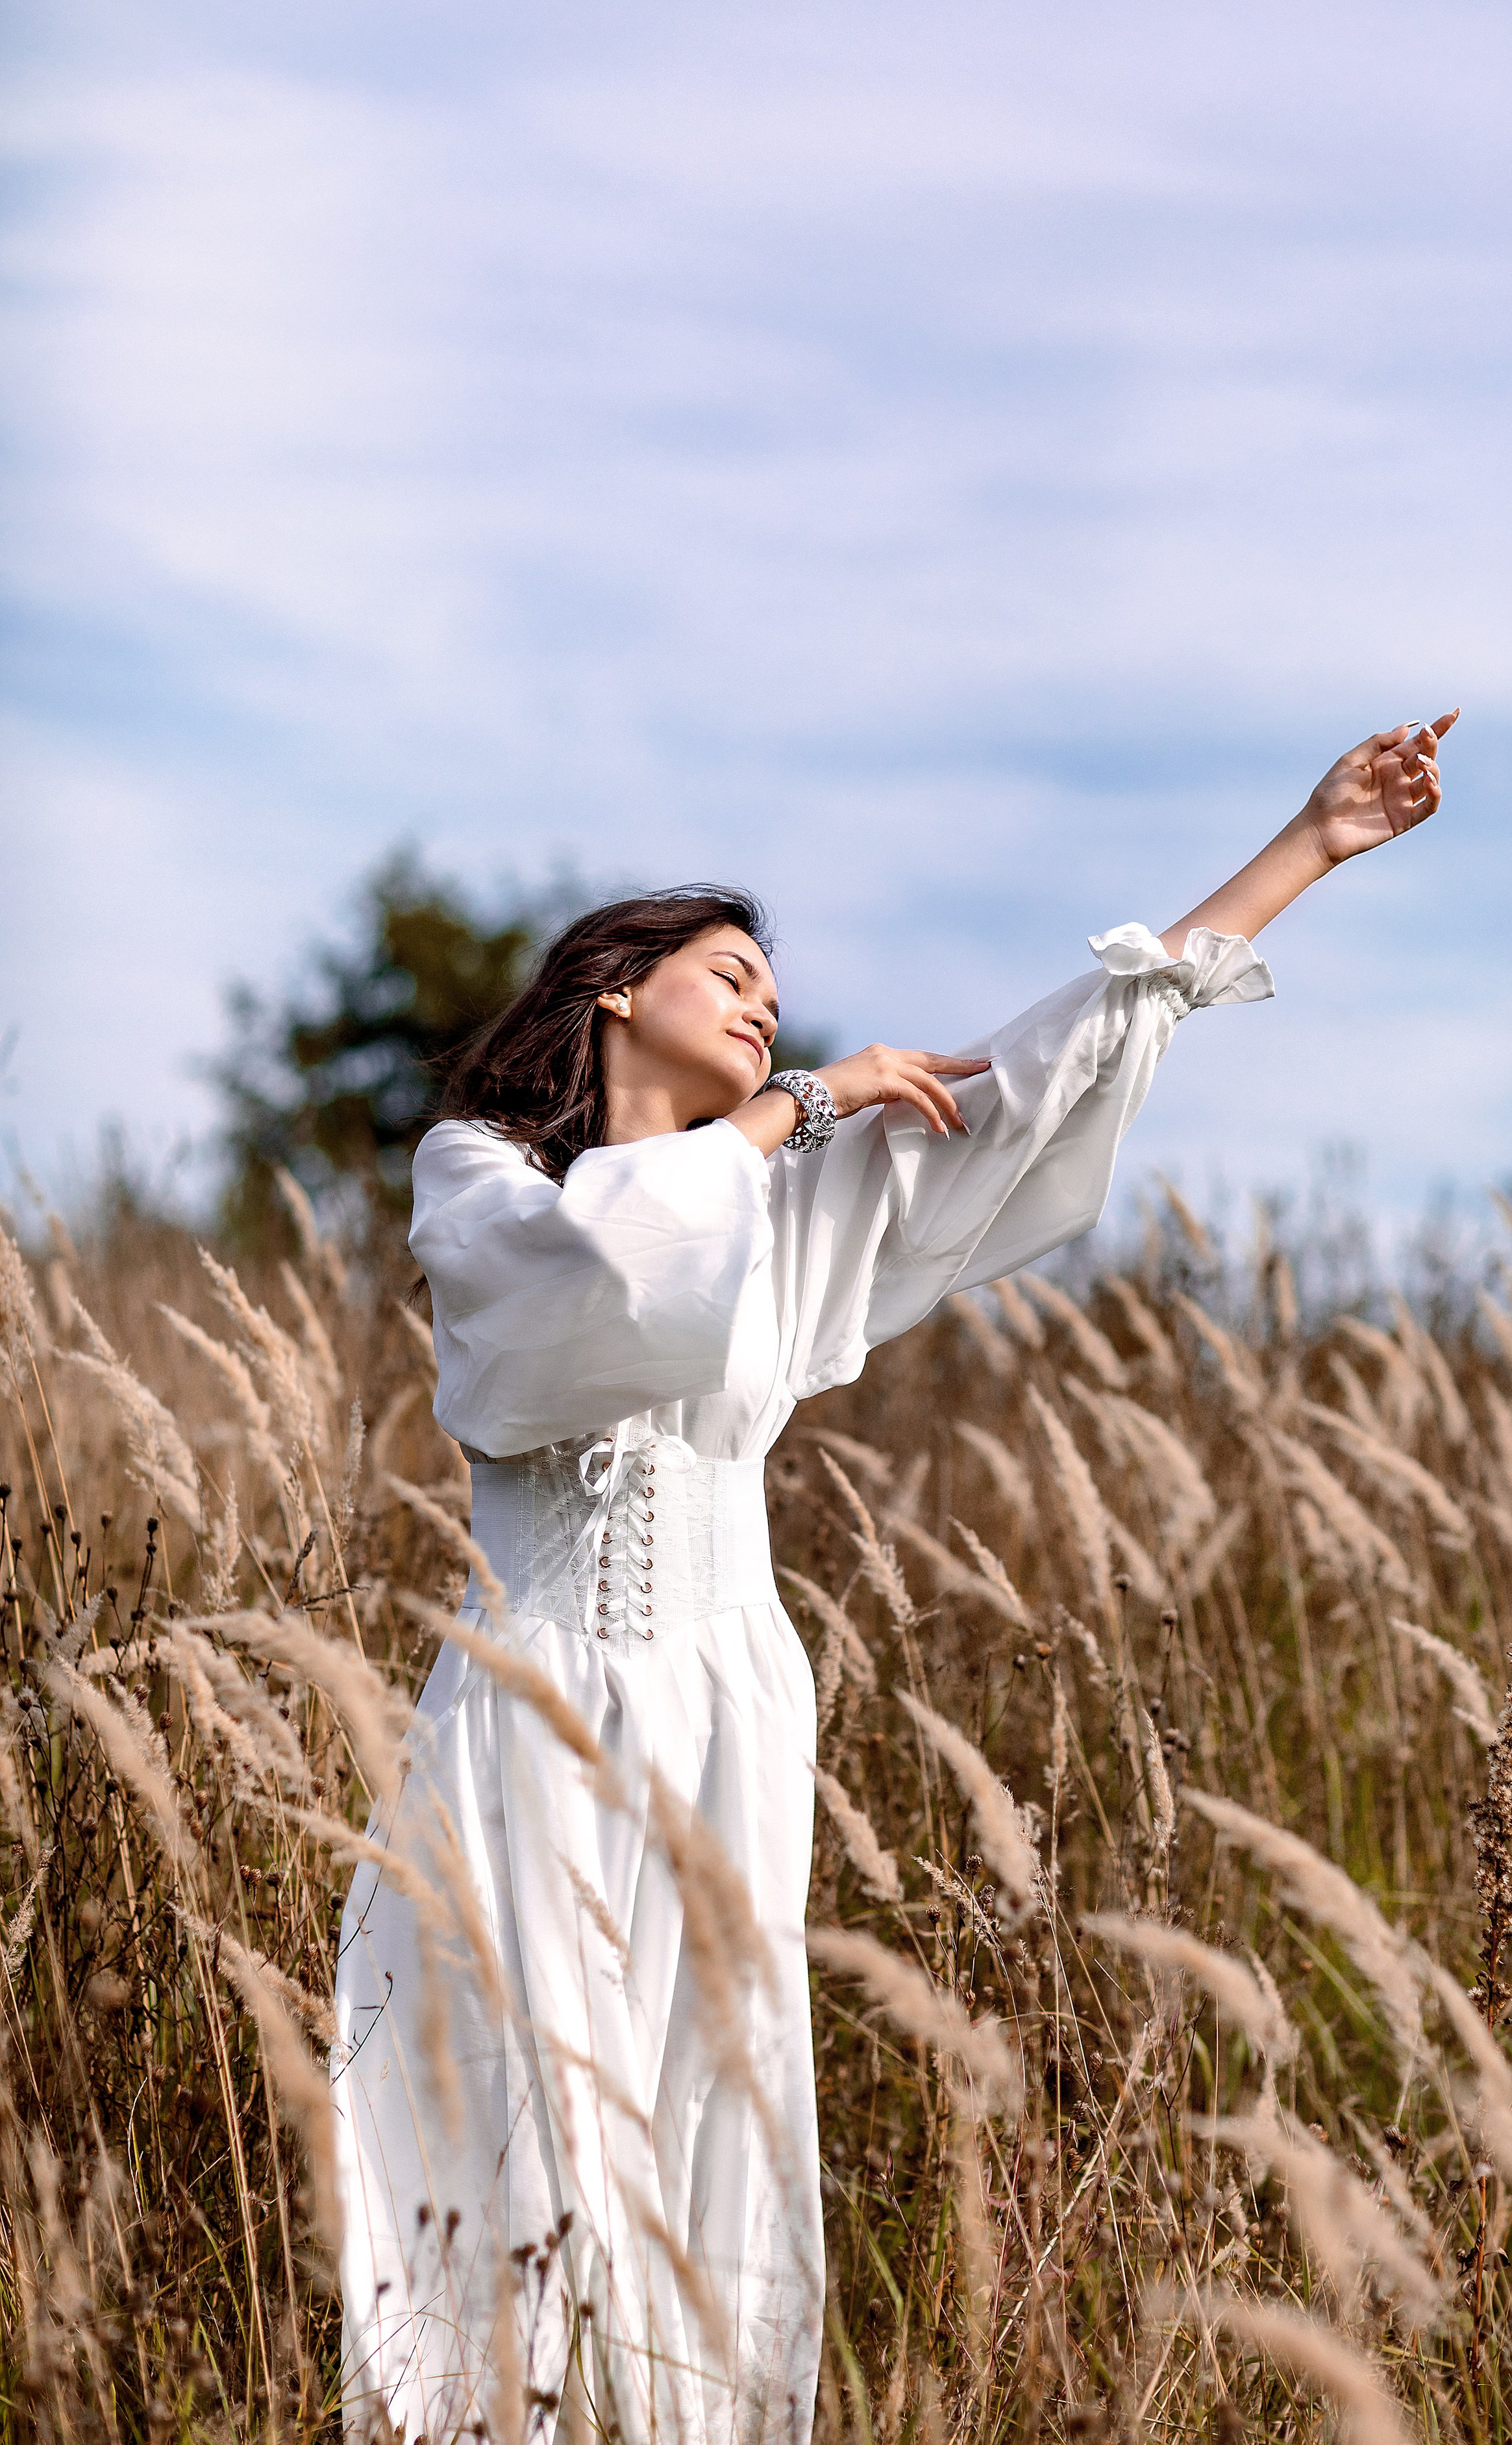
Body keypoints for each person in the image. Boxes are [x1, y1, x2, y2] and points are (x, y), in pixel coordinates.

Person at [332, 714, 1455, 2442]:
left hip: (727, 1710)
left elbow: (1029, 1087)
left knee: (716, 2118)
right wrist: (796, 1102)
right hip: (538, 1715)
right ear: (614, 992)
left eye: (777, 991)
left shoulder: (784, 1209)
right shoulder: (486, 1178)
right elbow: (597, 1291)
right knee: (530, 2108)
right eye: (726, 971)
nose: (766, 1004)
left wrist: (1305, 847)